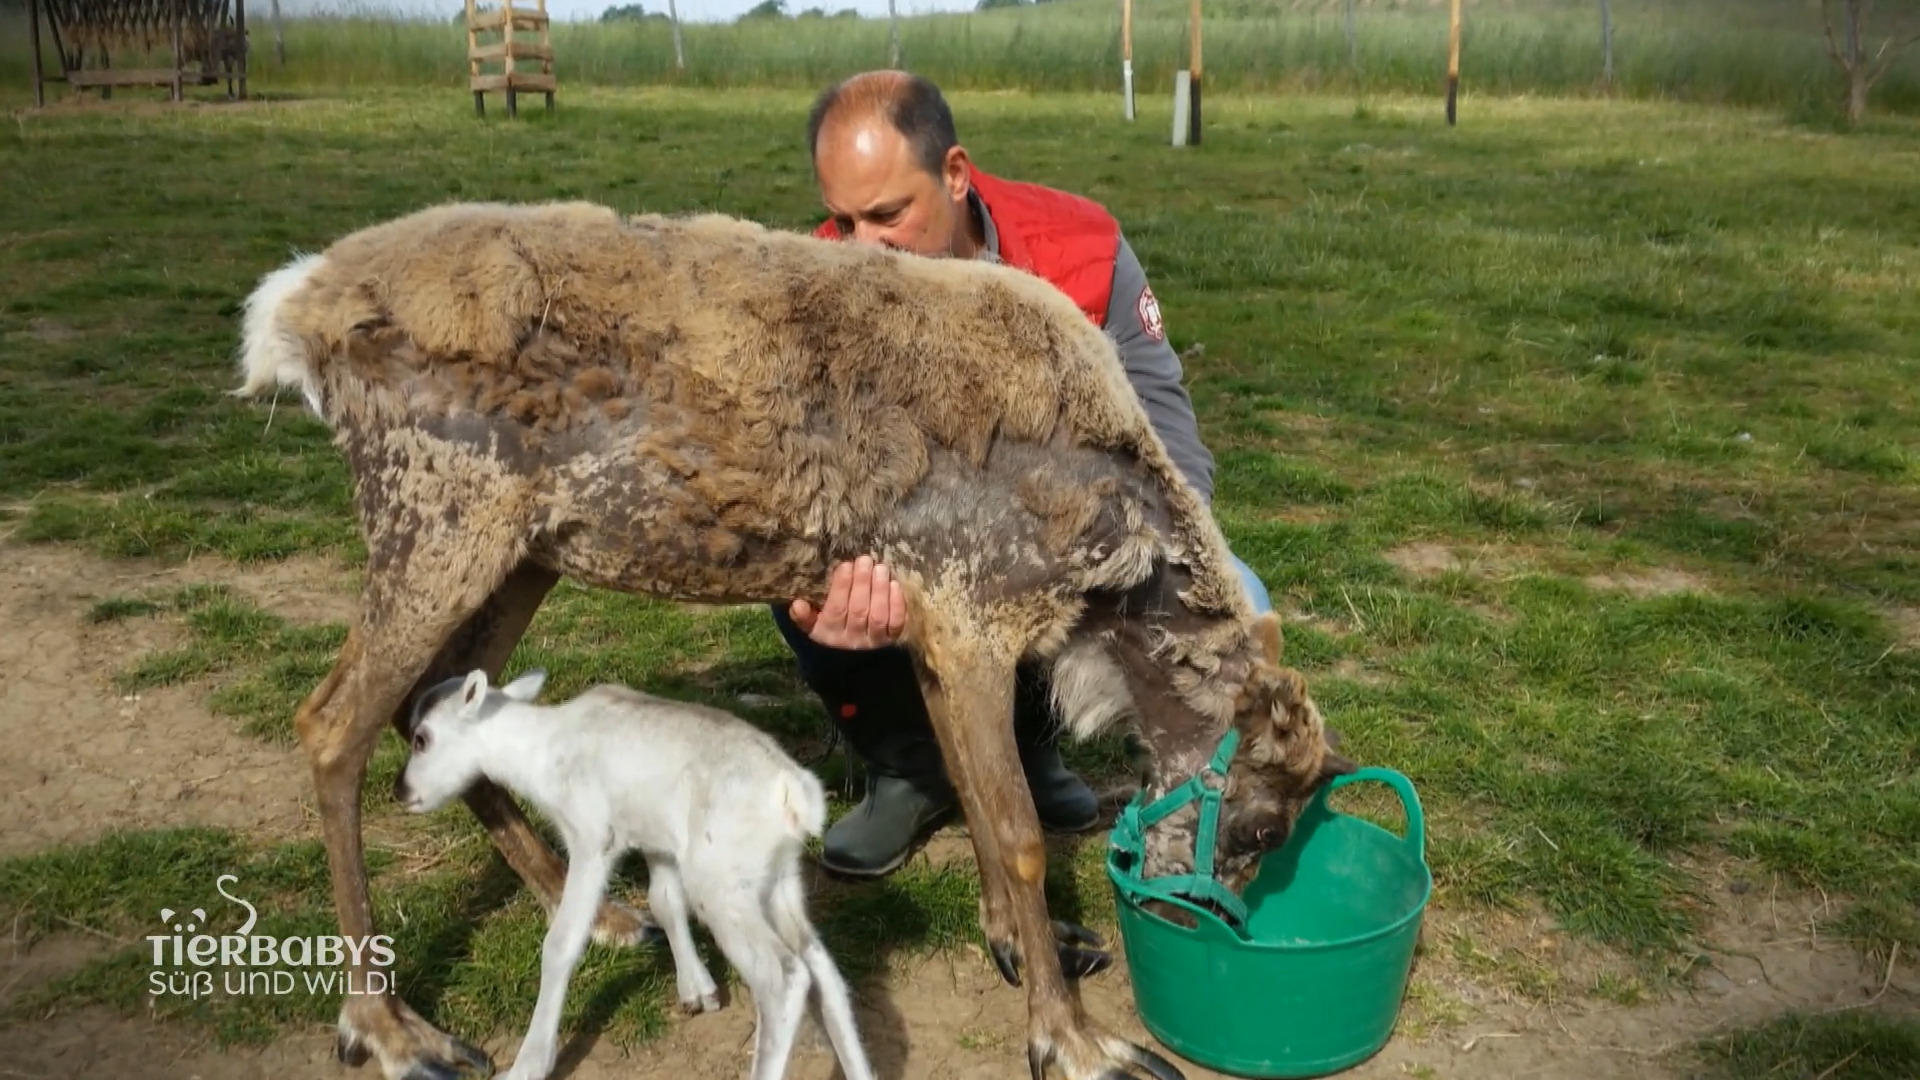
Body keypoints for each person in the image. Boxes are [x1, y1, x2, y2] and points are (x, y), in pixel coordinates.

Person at [772, 70, 1276, 879]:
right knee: (805, 586)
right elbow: (796, 474)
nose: (864, 246)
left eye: (890, 214)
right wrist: (825, 577)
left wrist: (1121, 559)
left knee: (1236, 601)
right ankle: (912, 767)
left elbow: (1168, 442)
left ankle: (1070, 767)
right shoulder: (813, 286)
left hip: (1067, 541)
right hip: (913, 549)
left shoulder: (1084, 250)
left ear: (956, 174)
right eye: (845, 218)